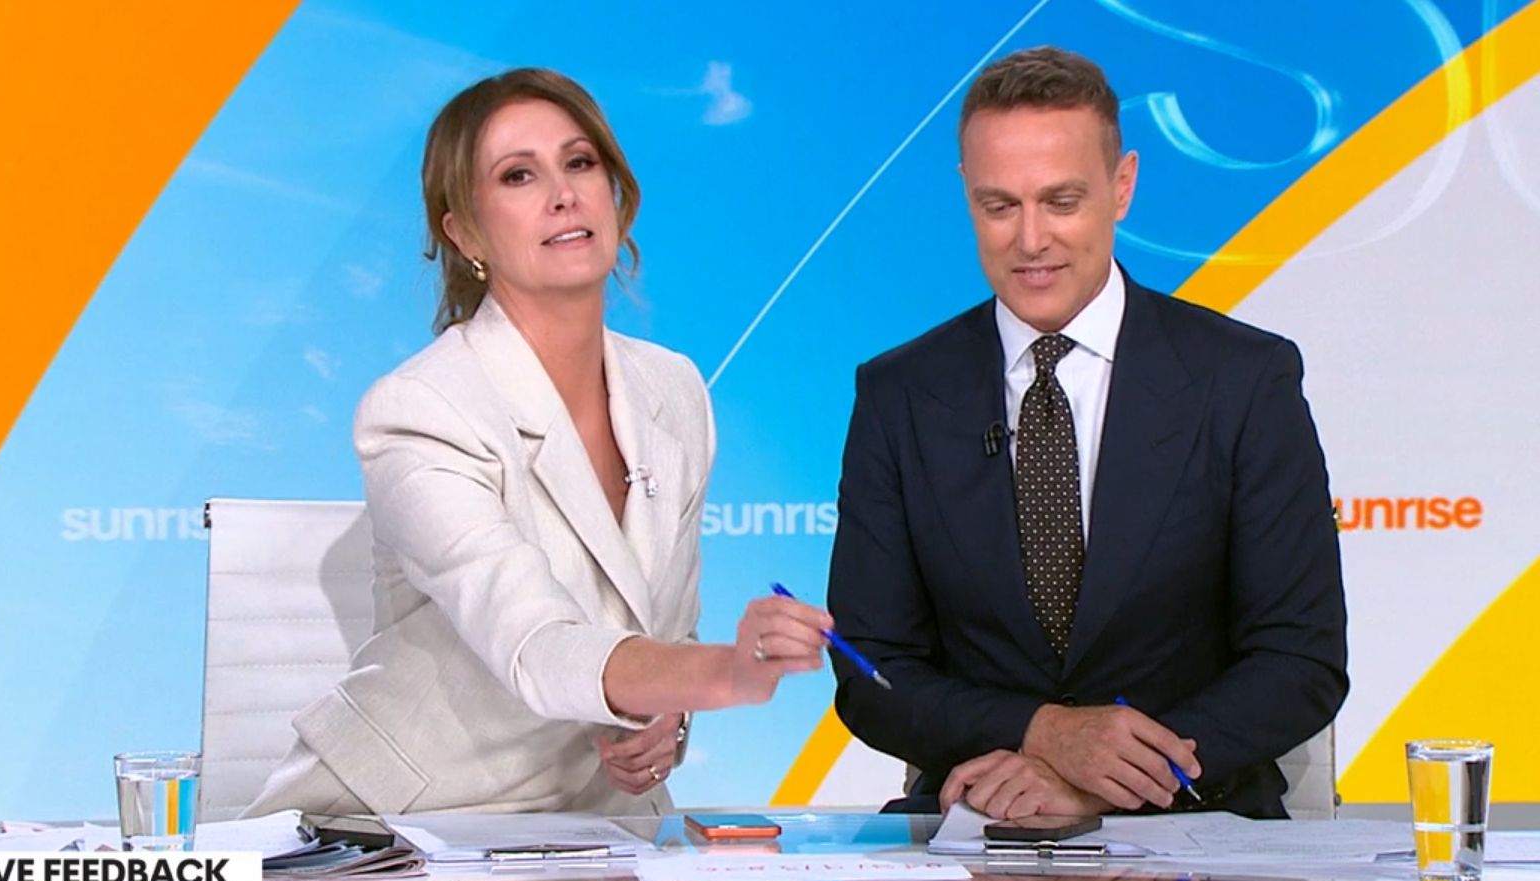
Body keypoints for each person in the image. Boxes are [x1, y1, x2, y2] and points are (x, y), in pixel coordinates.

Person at [246, 68, 832, 816]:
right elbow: (536, 643)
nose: (563, 194)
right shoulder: (422, 408)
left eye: (579, 162)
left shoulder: (674, 388)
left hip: (592, 823)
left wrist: (668, 720)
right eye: (518, 175)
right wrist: (725, 675)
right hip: (394, 826)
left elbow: (664, 626)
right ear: (464, 233)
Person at [826, 47, 1348, 820]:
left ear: (1122, 186)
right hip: (983, 821)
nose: (1030, 238)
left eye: (1061, 200)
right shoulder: (899, 394)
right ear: (966, 194)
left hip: (1196, 819)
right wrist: (1040, 734)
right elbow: (872, 668)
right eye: (999, 206)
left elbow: (1299, 659)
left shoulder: (1242, 379)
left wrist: (1111, 773)